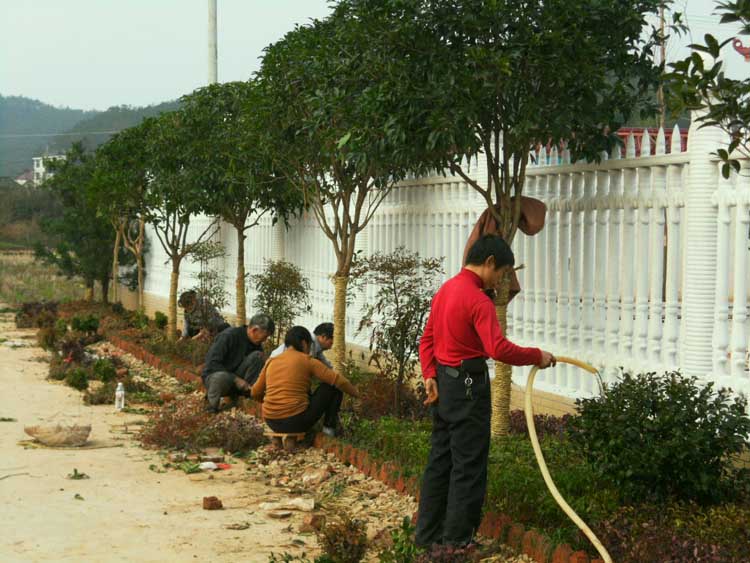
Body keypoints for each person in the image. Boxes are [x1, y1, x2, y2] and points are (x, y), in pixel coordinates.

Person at [415, 234, 556, 548]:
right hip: (468, 389)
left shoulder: (446, 290)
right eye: (502, 273)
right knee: (468, 466)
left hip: (444, 385)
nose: (501, 281)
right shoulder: (479, 300)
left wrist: (429, 374)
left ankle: (426, 537)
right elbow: (497, 348)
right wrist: (537, 355)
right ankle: (456, 544)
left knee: (440, 462)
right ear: (490, 262)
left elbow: (427, 340)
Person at [252, 326, 358, 437]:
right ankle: (328, 430)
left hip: (271, 421)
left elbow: (255, 392)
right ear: (304, 343)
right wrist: (357, 394)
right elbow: (340, 381)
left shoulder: (271, 361)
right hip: (296, 422)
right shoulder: (307, 360)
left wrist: (272, 405)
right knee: (333, 387)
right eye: (310, 345)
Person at [201, 313, 275, 413]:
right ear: (254, 330)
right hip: (218, 378)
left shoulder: (256, 344)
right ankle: (212, 406)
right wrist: (235, 379)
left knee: (258, 356)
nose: (265, 340)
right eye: (265, 336)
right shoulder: (229, 336)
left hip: (238, 384)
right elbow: (212, 364)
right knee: (220, 377)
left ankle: (247, 397)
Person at [269, 322, 334, 368]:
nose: (330, 347)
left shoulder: (316, 346)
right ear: (323, 337)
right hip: (277, 366)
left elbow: (325, 363)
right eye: (331, 343)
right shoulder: (310, 342)